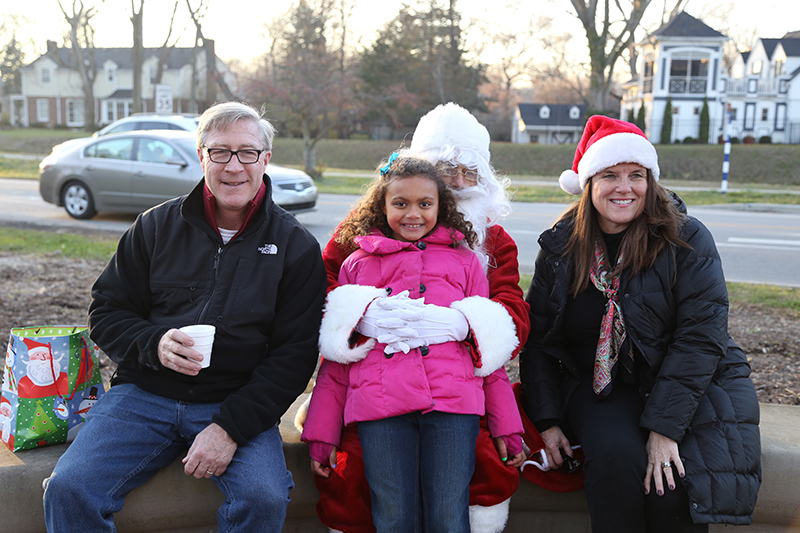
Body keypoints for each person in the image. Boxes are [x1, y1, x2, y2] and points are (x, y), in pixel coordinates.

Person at [42, 101, 327, 532]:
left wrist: (230, 428)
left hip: (234, 399)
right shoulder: (155, 226)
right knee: (69, 487)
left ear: (265, 159)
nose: (234, 166)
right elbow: (106, 311)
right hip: (143, 394)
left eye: (247, 152)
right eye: (220, 152)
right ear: (201, 156)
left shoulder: (295, 245)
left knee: (263, 497)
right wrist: (153, 343)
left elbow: (295, 355)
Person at [519, 115, 761, 532]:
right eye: (610, 175)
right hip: (598, 384)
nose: (624, 187)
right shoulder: (561, 246)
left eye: (636, 175)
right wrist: (549, 419)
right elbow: (539, 339)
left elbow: (701, 339)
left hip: (683, 378)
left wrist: (665, 430)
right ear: (589, 182)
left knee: (671, 483)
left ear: (651, 182)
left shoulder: (686, 238)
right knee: (614, 460)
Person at [311, 102, 530, 533]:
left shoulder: (488, 246)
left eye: (471, 173)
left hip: (457, 395)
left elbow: (510, 313)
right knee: (360, 481)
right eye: (449, 169)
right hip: (377, 391)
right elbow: (321, 294)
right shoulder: (360, 241)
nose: (461, 183)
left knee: (476, 480)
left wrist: (469, 325)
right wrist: (360, 317)